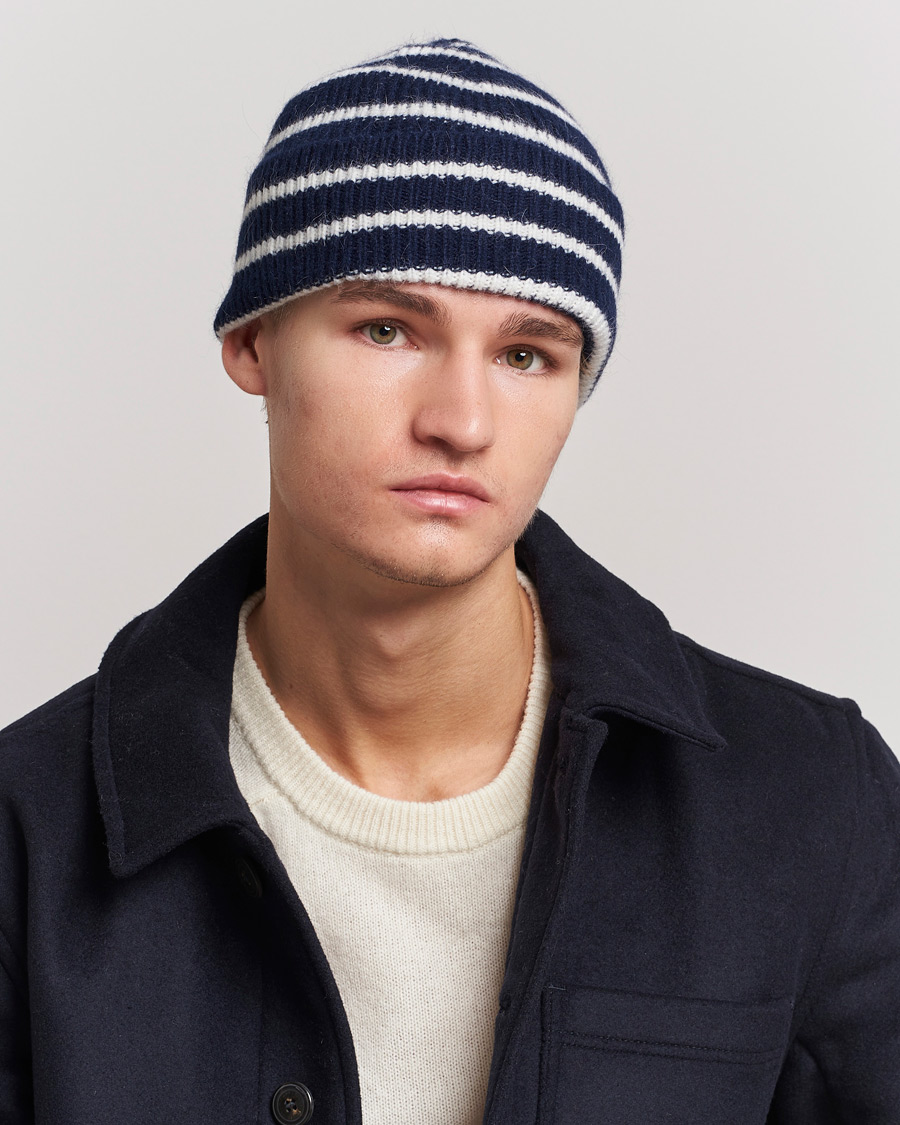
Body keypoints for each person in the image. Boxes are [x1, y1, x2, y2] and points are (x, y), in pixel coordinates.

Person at [0, 37, 897, 1125]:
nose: (462, 422)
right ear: (251, 343)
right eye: (388, 329)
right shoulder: (29, 829)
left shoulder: (811, 804)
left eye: (527, 355)